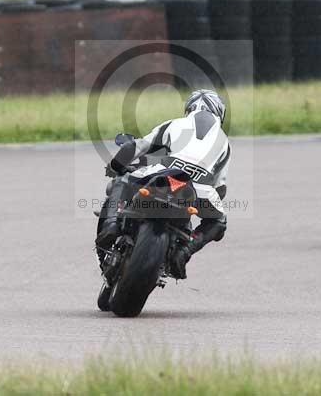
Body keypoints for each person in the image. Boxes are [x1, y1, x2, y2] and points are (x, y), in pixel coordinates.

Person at [96, 89, 231, 280]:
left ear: (189, 108)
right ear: (220, 113)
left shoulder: (175, 124)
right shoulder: (225, 142)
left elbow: (135, 146)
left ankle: (111, 225)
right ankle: (184, 252)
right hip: (200, 187)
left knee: (121, 180)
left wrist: (115, 166)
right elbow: (220, 188)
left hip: (165, 173)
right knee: (218, 222)